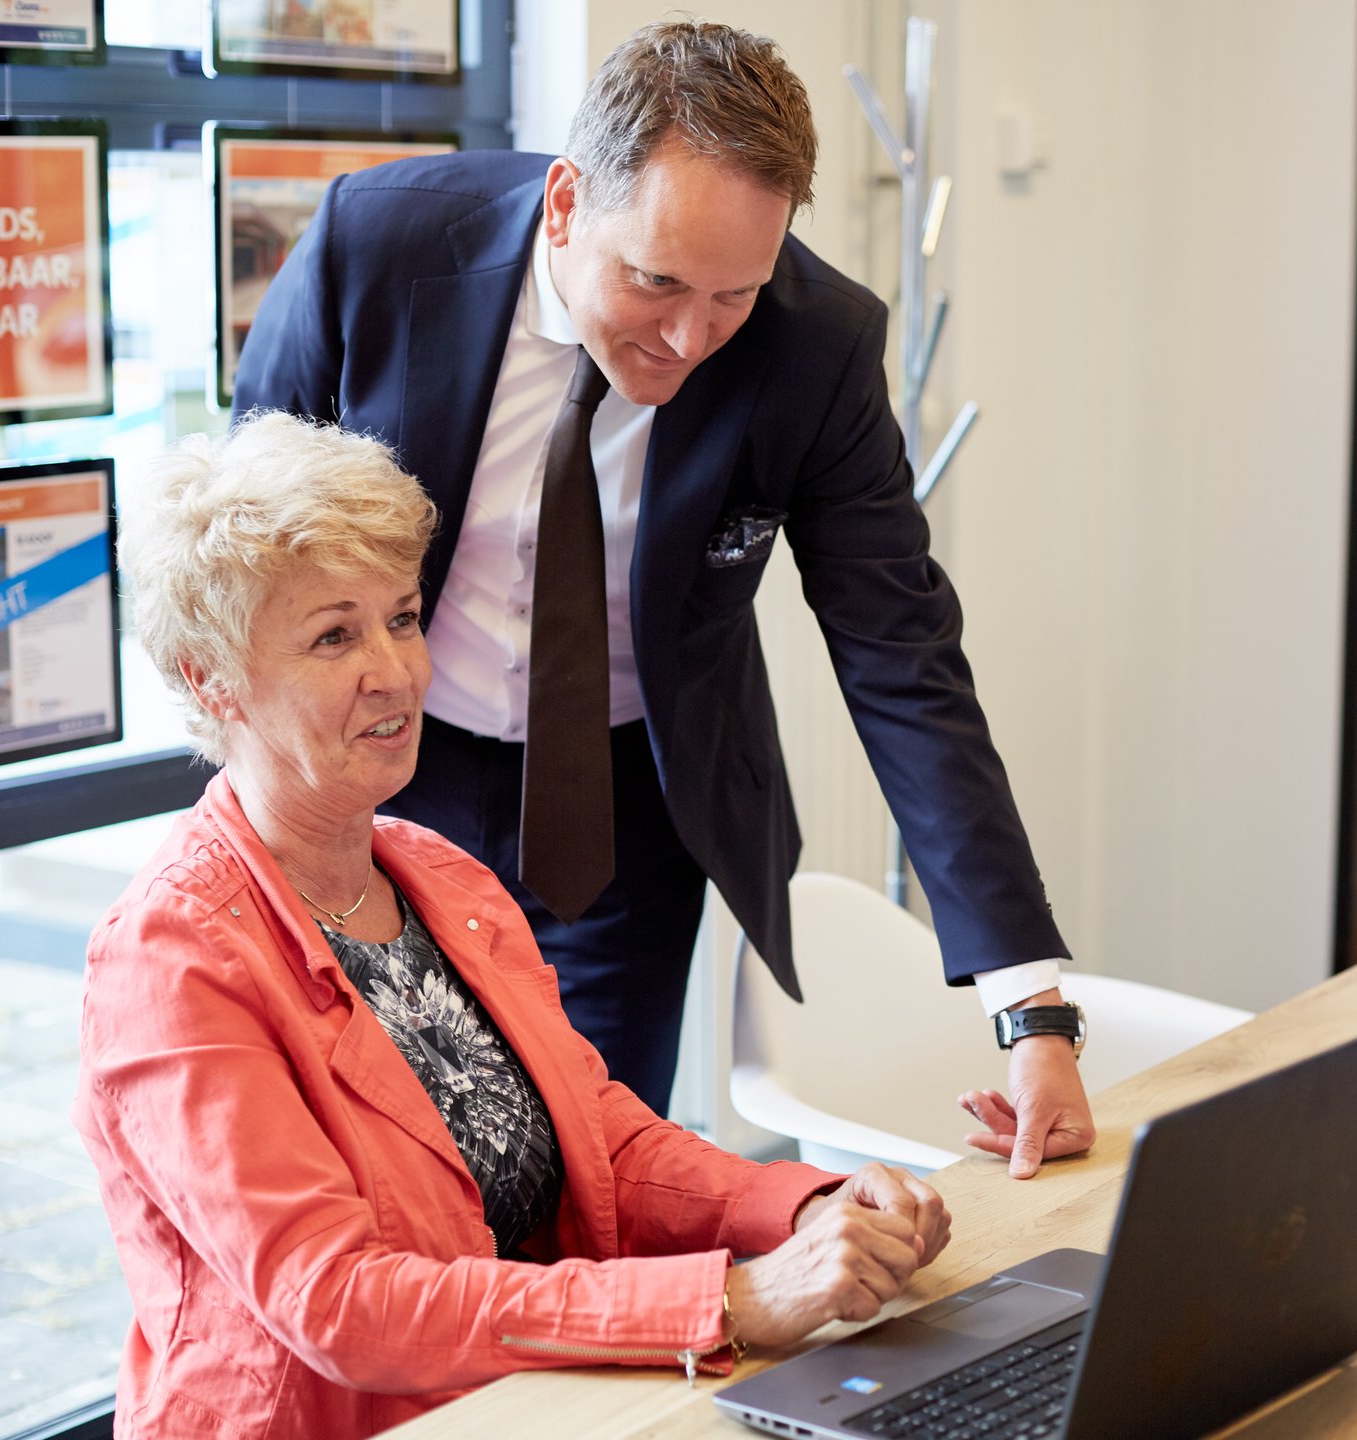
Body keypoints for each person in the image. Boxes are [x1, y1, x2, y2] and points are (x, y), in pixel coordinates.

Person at [234, 18, 1094, 1178]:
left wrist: (1029, 1007)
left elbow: (902, 653)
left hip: (618, 822)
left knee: (587, 1176)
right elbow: (245, 549)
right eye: (656, 282)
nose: (690, 338)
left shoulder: (815, 347)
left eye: (733, 294)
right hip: (380, 775)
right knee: (385, 1171)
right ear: (565, 203)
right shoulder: (375, 247)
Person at [73, 415, 951, 1438]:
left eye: (402, 618)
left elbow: (604, 1144)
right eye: (333, 635)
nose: (395, 671)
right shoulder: (171, 961)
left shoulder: (440, 876)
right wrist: (729, 1303)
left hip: (533, 1405)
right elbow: (337, 1301)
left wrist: (802, 1211)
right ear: (208, 679)